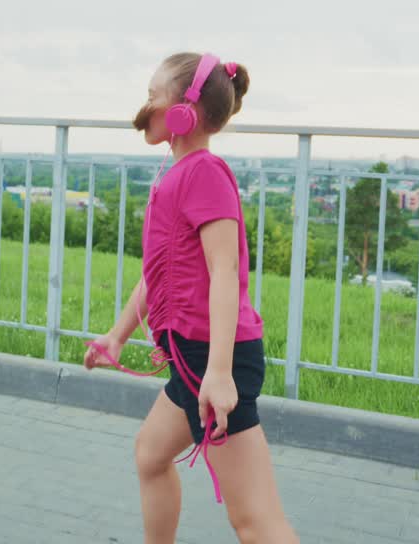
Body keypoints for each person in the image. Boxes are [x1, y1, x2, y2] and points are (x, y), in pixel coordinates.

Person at [84, 52, 299, 544]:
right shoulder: (178, 175)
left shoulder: (203, 173)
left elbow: (225, 272)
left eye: (154, 97)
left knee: (255, 520)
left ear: (184, 112)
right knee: (150, 455)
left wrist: (220, 374)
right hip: (191, 358)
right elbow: (159, 274)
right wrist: (117, 336)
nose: (147, 106)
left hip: (214, 362)